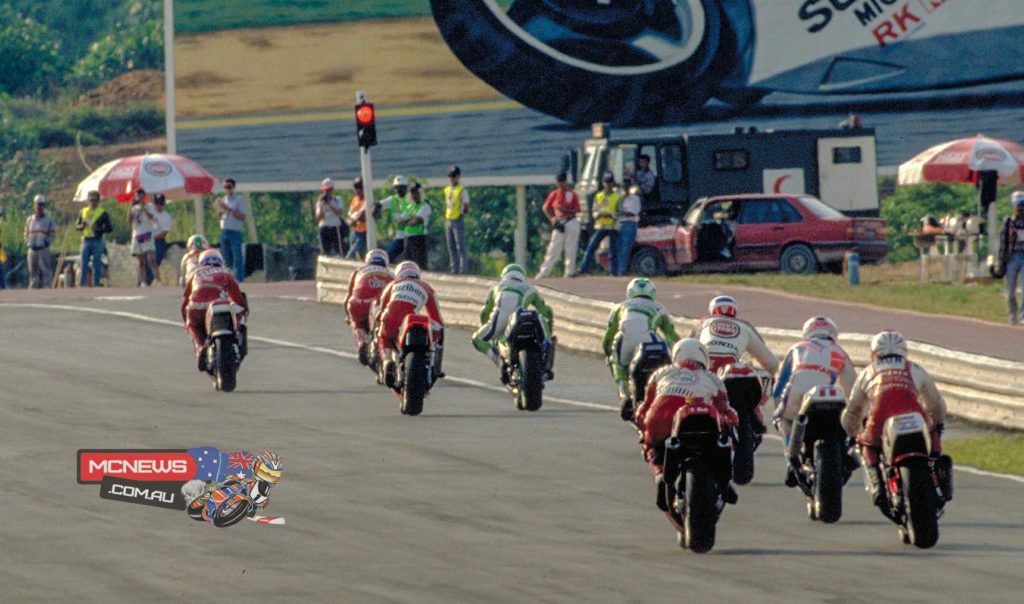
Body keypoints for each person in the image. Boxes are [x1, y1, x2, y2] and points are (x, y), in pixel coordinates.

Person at [841, 330, 948, 508]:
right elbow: (935, 403)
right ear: (903, 351)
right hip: (915, 416)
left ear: (874, 353)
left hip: (880, 417)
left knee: (867, 445)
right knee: (933, 431)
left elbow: (853, 409)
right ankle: (937, 470)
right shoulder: (914, 368)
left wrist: (853, 433)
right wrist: (938, 423)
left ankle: (877, 484)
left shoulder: (868, 372)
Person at [634, 339, 739, 511]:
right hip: (703, 424)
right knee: (727, 439)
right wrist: (732, 422)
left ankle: (660, 475)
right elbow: (727, 411)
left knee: (650, 446)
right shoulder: (713, 378)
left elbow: (644, 408)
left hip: (661, 420)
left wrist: (643, 426)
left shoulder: (661, 373)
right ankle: (724, 482)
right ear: (703, 358)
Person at [772, 316, 857, 485]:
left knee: (783, 420)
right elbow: (851, 388)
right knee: (850, 428)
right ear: (833, 333)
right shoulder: (839, 352)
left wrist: (778, 409)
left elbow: (780, 384)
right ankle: (846, 452)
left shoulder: (797, 348)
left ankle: (791, 457)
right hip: (831, 400)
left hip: (798, 398)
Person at [603, 278, 680, 403]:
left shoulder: (619, 307)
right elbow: (671, 336)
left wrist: (608, 354)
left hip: (626, 343)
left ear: (629, 292)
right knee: (665, 356)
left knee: (615, 359)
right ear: (653, 292)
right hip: (650, 342)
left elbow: (607, 338)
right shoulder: (660, 308)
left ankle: (624, 392)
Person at [472, 263, 554, 379]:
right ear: (522, 277)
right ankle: (544, 363)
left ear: (504, 276)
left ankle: (499, 362)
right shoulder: (530, 288)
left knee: (477, 339)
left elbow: (484, 312)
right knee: (543, 342)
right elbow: (546, 312)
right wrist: (548, 333)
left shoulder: (496, 287)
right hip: (519, 320)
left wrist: (486, 327)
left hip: (499, 320)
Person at [374, 261, 445, 387]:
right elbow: (437, 319)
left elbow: (380, 312)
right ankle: (435, 366)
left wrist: (379, 326)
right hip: (411, 320)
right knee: (436, 334)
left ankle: (386, 360)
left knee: (384, 337)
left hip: (390, 317)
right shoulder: (427, 288)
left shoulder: (393, 284)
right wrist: (436, 337)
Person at [181, 249, 249, 371]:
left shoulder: (194, 273)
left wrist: (186, 321)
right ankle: (236, 338)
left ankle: (200, 346)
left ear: (202, 263)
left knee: (192, 325)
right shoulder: (226, 272)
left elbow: (185, 300)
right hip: (218, 305)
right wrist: (244, 315)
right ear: (221, 262)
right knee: (235, 314)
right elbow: (238, 298)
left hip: (197, 306)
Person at [183, 449, 283, 525]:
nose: (269, 478)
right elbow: (236, 478)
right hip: (233, 488)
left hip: (241, 504)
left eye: (273, 476)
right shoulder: (248, 476)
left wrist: (257, 510)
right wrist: (234, 479)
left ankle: (227, 506)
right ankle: (212, 493)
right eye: (266, 473)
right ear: (257, 467)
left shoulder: (265, 492)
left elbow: (261, 505)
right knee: (230, 481)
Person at [343, 249, 394, 363]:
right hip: (380, 305)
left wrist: (348, 316)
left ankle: (361, 342)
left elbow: (348, 297)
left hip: (359, 302)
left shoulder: (358, 271)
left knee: (356, 323)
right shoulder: (391, 274)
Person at [574, 172, 620, 276]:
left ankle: (614, 272)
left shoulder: (617, 197)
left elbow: (620, 212)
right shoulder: (599, 196)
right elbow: (594, 210)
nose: (608, 184)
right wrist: (598, 215)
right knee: (591, 247)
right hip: (601, 225)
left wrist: (611, 215)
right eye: (606, 182)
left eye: (610, 182)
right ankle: (583, 268)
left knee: (613, 251)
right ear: (603, 183)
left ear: (613, 183)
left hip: (612, 226)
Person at [537, 172, 582, 278]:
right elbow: (546, 208)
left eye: (562, 181)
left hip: (570, 220)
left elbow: (577, 209)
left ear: (565, 181)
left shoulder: (571, 194)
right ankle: (544, 271)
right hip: (559, 222)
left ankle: (569, 271)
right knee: (553, 248)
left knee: (570, 247)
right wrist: (553, 219)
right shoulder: (555, 194)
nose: (560, 184)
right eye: (559, 182)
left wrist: (565, 210)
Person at [75, 190, 113, 287]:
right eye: (91, 200)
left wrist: (100, 229)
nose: (92, 202)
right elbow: (77, 225)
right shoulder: (83, 211)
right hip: (86, 240)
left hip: (97, 240)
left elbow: (109, 228)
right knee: (84, 263)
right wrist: (81, 226)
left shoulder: (103, 213)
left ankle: (96, 284)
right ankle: (82, 284)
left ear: (98, 201)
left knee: (97, 263)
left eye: (95, 200)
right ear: (88, 200)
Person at [998, 191, 1024, 324]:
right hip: (1012, 256)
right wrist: (1001, 261)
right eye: (1018, 206)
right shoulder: (1008, 222)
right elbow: (1003, 243)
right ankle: (1012, 313)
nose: (1020, 209)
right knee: (1011, 290)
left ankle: (1023, 315)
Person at [215, 178, 247, 282]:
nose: (227, 189)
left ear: (233, 187)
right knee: (225, 257)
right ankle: (227, 279)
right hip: (224, 230)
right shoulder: (223, 200)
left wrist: (228, 208)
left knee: (237, 256)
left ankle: (239, 279)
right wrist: (219, 209)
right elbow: (219, 217)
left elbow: (242, 216)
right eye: (225, 187)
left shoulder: (238, 199)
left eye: (229, 187)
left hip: (235, 231)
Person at [128, 188, 161, 286]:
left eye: (141, 196)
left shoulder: (150, 206)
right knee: (141, 261)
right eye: (137, 196)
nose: (139, 198)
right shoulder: (134, 208)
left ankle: (158, 281)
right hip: (137, 235)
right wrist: (130, 206)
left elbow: (152, 217)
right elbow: (129, 220)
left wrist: (143, 207)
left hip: (147, 234)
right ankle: (143, 282)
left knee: (151, 260)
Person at [24, 195, 56, 288]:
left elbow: (52, 234)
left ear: (44, 206)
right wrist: (28, 242)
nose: (39, 207)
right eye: (37, 204)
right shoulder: (29, 220)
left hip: (43, 248)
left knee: (46, 269)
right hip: (32, 249)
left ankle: (47, 287)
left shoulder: (48, 220)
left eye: (41, 205)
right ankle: (33, 287)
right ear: (34, 205)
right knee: (33, 271)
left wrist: (47, 242)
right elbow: (26, 233)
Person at [398, 182, 432, 268]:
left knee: (419, 265)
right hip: (408, 238)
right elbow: (400, 221)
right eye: (412, 193)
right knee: (407, 264)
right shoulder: (410, 206)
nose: (414, 195)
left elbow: (416, 221)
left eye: (416, 193)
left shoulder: (425, 206)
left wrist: (408, 220)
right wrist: (410, 219)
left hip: (419, 238)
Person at [443, 165, 470, 274]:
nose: (452, 178)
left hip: (457, 219)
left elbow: (466, 204)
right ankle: (454, 269)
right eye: (450, 176)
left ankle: (463, 271)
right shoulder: (447, 189)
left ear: (458, 177)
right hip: (449, 219)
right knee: (451, 247)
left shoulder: (461, 190)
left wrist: (463, 212)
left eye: (454, 176)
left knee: (460, 247)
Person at [614, 173, 641, 275]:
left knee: (625, 248)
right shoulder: (620, 198)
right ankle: (617, 270)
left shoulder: (634, 198)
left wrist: (619, 213)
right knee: (618, 248)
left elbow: (631, 212)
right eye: (623, 186)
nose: (625, 188)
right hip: (619, 224)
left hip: (630, 223)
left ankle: (622, 271)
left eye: (627, 186)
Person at [379, 175, 410, 262]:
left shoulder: (410, 199)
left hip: (410, 236)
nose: (399, 190)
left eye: (401, 187)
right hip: (399, 236)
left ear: (405, 188)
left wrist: (403, 220)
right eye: (397, 187)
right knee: (388, 256)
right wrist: (376, 207)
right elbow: (380, 204)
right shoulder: (393, 200)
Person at [316, 178, 348, 257]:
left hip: (335, 228)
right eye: (325, 191)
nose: (327, 193)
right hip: (325, 228)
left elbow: (339, 212)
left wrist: (329, 204)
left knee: (340, 250)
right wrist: (322, 205)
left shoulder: (337, 200)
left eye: (329, 190)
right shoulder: (320, 203)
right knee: (325, 251)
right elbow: (319, 217)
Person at [146, 193, 173, 285]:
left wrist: (152, 237)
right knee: (145, 261)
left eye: (160, 204)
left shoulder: (166, 216)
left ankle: (149, 280)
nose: (158, 206)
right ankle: (143, 281)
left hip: (158, 240)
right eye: (157, 204)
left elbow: (164, 232)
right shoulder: (150, 210)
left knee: (155, 260)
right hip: (147, 239)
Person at [346, 177, 369, 259]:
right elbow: (349, 214)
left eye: (360, 187)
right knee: (359, 255)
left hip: (364, 232)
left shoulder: (367, 200)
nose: (359, 190)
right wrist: (352, 219)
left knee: (351, 254)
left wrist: (354, 218)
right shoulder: (354, 200)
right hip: (355, 231)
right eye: (356, 187)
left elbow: (362, 214)